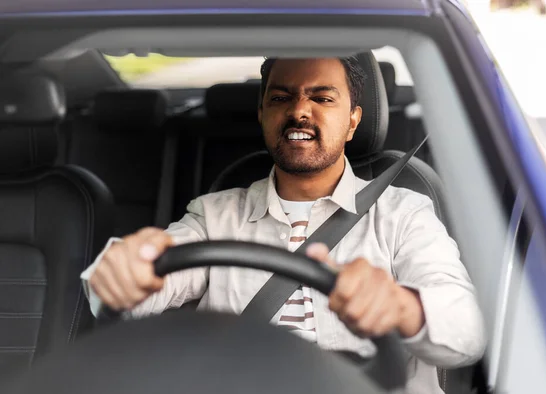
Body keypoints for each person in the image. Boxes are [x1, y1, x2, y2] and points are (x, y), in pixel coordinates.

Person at [80, 56, 485, 394]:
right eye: (281, 97)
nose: (299, 111)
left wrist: (402, 307)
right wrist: (121, 274)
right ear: (263, 114)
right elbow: (145, 283)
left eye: (322, 97)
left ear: (353, 121)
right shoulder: (215, 214)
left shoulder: (404, 212)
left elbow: (467, 331)